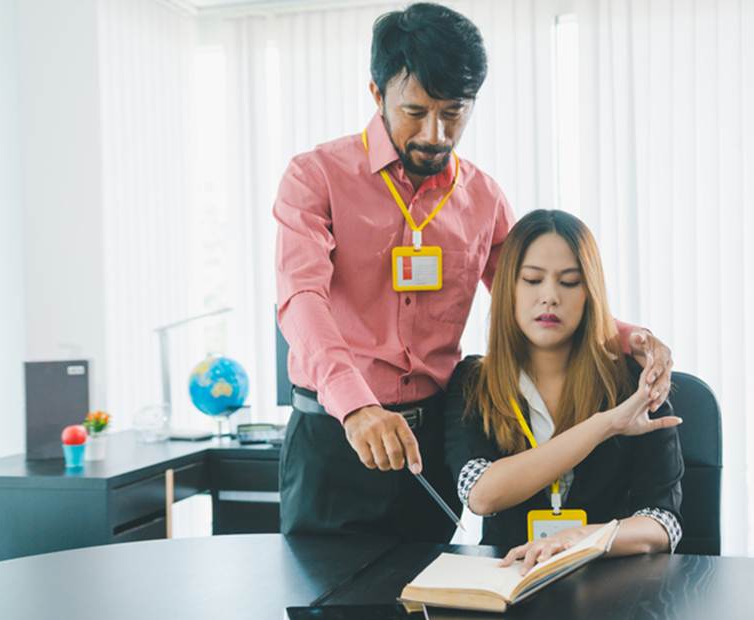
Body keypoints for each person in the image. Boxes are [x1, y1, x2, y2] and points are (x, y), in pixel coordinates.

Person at [274, 3, 674, 542]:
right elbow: (301, 297)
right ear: (376, 94)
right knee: (322, 592)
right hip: (336, 434)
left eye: (453, 113)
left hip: (428, 442)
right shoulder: (315, 177)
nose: (435, 133)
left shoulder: (482, 197)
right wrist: (356, 406)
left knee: (430, 589)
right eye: (415, 112)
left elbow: (530, 290)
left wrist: (631, 337)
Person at [444, 209, 684, 572]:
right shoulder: (474, 381)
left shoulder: (633, 381)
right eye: (532, 280)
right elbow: (481, 494)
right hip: (508, 581)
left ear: (590, 293)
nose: (550, 297)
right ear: (508, 288)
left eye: (569, 282)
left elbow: (663, 523)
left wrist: (582, 538)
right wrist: (606, 425)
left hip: (612, 584)